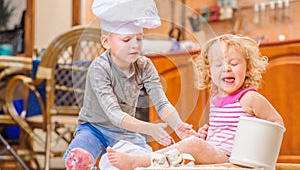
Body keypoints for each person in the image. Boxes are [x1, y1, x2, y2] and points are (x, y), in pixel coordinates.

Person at [63, 0, 197, 170]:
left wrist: (178, 125)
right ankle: (84, 161)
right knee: (80, 155)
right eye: (126, 39)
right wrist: (149, 128)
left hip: (125, 131)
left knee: (147, 162)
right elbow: (114, 113)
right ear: (106, 42)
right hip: (93, 128)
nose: (135, 45)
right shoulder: (99, 68)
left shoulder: (145, 65)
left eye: (139, 39)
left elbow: (162, 103)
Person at [106, 34, 284, 170]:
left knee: (192, 145)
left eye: (234, 63)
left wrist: (254, 141)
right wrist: (207, 136)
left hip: (233, 159)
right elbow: (224, 133)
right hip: (219, 155)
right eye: (218, 64)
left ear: (248, 69)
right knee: (191, 144)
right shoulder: (216, 99)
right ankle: (150, 160)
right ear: (209, 72)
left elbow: (277, 123)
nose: (227, 68)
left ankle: (139, 161)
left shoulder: (249, 98)